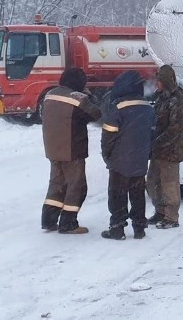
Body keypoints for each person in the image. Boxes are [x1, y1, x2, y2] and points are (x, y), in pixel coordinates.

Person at [41, 68, 102, 234]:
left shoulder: (50, 94)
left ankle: (48, 219)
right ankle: (68, 223)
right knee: (77, 185)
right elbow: (96, 113)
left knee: (57, 184)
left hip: (53, 148)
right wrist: (89, 95)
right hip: (72, 148)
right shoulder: (77, 97)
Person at [101, 71, 157, 240]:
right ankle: (139, 228)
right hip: (139, 160)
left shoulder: (117, 108)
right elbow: (153, 134)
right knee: (137, 194)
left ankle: (117, 228)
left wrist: (107, 155)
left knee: (117, 195)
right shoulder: (148, 108)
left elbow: (108, 136)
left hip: (120, 160)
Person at [146, 65, 183, 229]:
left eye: (159, 80)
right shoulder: (161, 98)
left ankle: (171, 217)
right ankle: (160, 211)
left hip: (171, 150)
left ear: (165, 81)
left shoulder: (178, 100)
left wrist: (157, 141)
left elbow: (175, 128)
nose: (156, 83)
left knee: (169, 183)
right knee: (153, 181)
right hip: (158, 149)